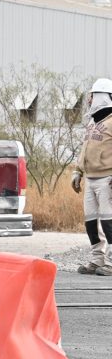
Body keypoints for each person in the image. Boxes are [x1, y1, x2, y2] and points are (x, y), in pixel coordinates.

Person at [72, 78, 112, 277]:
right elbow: (85, 148)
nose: (89, 99)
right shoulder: (92, 122)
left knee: (109, 222)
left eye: (92, 95)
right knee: (91, 222)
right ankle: (97, 259)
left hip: (107, 179)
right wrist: (77, 171)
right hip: (91, 178)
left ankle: (111, 262)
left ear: (102, 96)